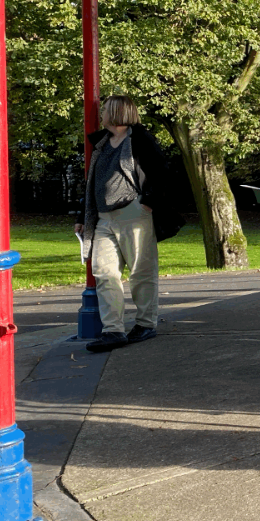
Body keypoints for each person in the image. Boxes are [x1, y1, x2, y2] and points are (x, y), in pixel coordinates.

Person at [76, 95, 181, 353]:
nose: (101, 115)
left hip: (133, 213)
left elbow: (162, 171)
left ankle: (146, 324)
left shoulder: (140, 140)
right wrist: (82, 216)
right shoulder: (103, 143)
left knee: (140, 271)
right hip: (104, 217)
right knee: (104, 271)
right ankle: (113, 330)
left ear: (116, 113)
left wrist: (148, 201)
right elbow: (94, 182)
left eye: (105, 111)